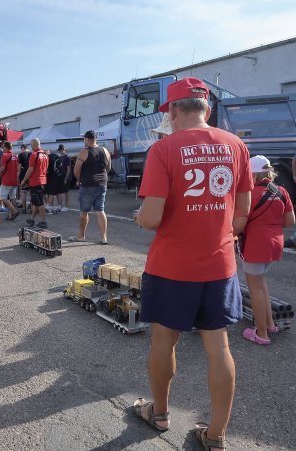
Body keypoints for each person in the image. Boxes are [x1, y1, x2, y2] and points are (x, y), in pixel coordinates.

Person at [133, 77, 254, 451]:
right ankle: (216, 435)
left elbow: (151, 218)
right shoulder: (236, 146)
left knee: (163, 343)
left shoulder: (164, 149)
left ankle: (160, 413)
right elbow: (242, 215)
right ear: (208, 109)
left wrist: (140, 216)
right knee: (218, 348)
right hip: (219, 267)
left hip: (172, 267)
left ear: (171, 110)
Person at [241, 155, 295, 345]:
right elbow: (290, 221)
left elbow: (240, 221)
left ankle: (262, 334)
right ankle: (270, 324)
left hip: (256, 245)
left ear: (253, 173)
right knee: (261, 283)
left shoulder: (250, 193)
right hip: (275, 244)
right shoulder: (281, 191)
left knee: (254, 288)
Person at [68, 130, 111, 244]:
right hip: (102, 184)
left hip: (88, 185)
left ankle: (81, 236)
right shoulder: (105, 150)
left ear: (87, 139)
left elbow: (76, 170)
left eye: (84, 139)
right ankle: (104, 238)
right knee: (100, 210)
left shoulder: (84, 151)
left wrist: (80, 180)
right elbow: (108, 168)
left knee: (83, 212)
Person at [21, 138, 49, 228]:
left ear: (33, 145)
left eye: (31, 145)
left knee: (39, 202)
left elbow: (30, 169)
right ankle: (32, 219)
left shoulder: (34, 155)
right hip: (42, 180)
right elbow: (46, 169)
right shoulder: (45, 155)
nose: (31, 147)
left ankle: (43, 222)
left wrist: (24, 180)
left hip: (35, 181)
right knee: (35, 201)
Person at [0, 141, 20, 221]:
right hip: (14, 180)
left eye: (3, 147)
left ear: (7, 148)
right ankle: (11, 215)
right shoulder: (15, 156)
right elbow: (18, 169)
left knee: (3, 197)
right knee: (13, 197)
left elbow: (2, 168)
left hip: (6, 180)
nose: (2, 149)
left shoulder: (4, 155)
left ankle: (14, 211)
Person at [18, 144, 31, 213]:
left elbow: (19, 167)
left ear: (22, 148)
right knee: (31, 193)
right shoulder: (31, 154)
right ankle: (32, 207)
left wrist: (18, 175)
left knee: (23, 192)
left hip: (23, 176)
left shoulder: (21, 155)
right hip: (31, 176)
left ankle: (24, 208)